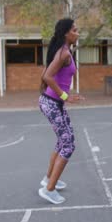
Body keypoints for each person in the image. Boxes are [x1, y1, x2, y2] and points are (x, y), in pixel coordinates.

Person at [38, 18, 83, 204]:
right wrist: (65, 96)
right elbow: (47, 76)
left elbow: (48, 76)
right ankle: (49, 190)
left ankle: (48, 179)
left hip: (53, 102)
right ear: (66, 33)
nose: (78, 32)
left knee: (64, 140)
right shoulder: (63, 53)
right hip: (51, 103)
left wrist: (63, 95)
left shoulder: (66, 51)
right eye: (75, 30)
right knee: (68, 145)